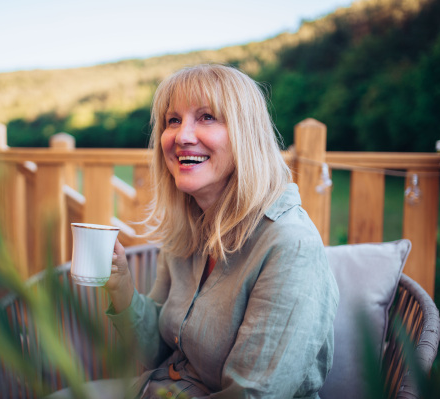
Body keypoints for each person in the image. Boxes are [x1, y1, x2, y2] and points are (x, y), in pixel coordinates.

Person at [105, 64, 339, 398]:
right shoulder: (190, 226)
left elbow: (253, 394)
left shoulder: (290, 244)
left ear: (247, 134)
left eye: (207, 117)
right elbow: (156, 351)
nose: (182, 136)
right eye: (173, 120)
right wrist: (121, 285)